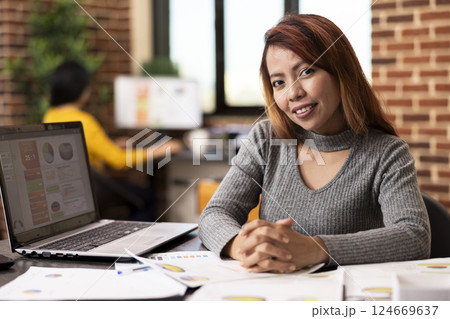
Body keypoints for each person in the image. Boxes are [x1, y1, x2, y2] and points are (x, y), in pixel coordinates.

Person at [198, 14, 431, 273]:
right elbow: (215, 213)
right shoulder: (266, 139)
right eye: (279, 82)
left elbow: (414, 236)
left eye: (306, 71)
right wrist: (243, 246)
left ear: (340, 72)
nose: (293, 93)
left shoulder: (387, 153)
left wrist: (314, 249)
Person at [43, 61, 183, 221]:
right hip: (91, 191)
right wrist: (162, 149)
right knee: (148, 198)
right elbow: (118, 161)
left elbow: (75, 152)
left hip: (68, 191)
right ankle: (135, 244)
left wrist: (110, 145)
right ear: (82, 90)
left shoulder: (50, 115)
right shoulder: (83, 121)